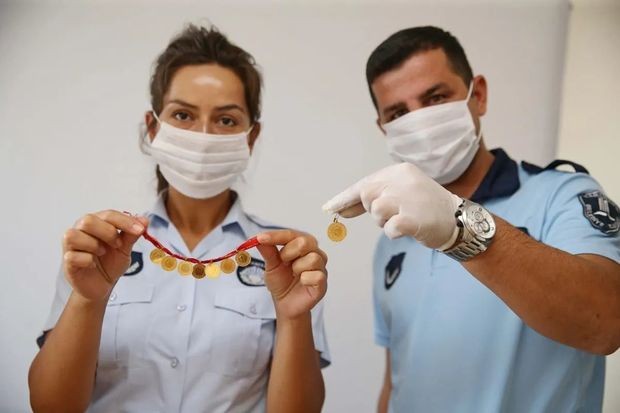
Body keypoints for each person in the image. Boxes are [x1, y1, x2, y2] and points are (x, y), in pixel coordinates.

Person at [29, 24, 329, 413]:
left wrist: (293, 317)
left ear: (250, 138)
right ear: (154, 128)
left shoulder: (287, 259)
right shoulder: (99, 246)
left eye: (226, 120)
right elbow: (50, 406)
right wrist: (88, 300)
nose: (203, 136)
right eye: (183, 115)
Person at [324, 26, 620, 412]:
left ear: (476, 96)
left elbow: (606, 323)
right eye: (398, 113)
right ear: (384, 128)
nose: (419, 121)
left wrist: (457, 226)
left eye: (435, 98)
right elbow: (398, 377)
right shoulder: (392, 238)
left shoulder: (562, 196)